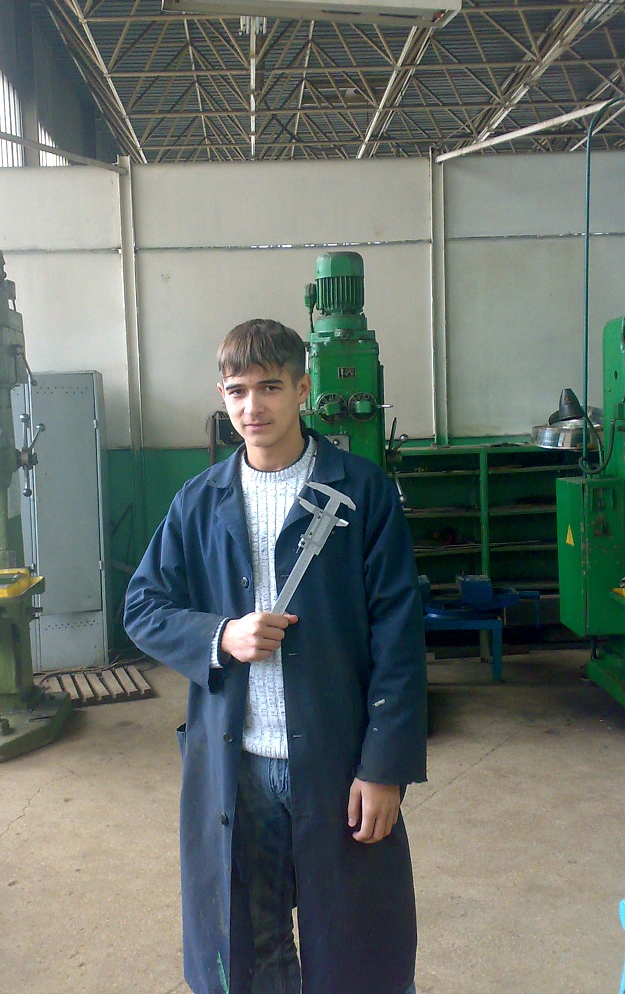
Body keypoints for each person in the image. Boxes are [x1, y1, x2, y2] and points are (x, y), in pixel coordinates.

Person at [124, 318, 427, 994]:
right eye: (237, 391)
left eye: (269, 387)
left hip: (336, 764)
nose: (252, 407)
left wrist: (385, 768)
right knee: (252, 947)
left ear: (302, 389)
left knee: (352, 944)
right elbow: (143, 608)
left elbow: (398, 637)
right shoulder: (199, 502)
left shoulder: (363, 493)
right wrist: (221, 637)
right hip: (238, 769)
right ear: (222, 397)